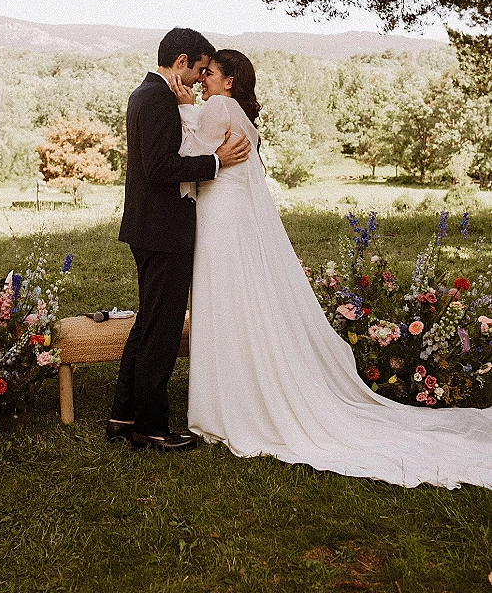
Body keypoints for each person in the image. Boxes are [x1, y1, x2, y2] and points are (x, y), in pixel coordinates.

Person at [171, 48, 492, 488]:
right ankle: (241, 391)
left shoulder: (218, 107)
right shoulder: (242, 117)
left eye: (209, 74)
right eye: (200, 74)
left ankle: (231, 405)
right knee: (239, 302)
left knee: (225, 301)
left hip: (221, 221)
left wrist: (185, 108)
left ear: (228, 82)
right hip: (233, 219)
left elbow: (190, 158)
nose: (201, 79)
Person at [108, 29, 251, 452]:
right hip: (162, 229)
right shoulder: (156, 98)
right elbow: (159, 167)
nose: (198, 80)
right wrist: (215, 161)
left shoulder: (147, 93)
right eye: (199, 70)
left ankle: (123, 415)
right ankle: (151, 427)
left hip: (150, 227)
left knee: (148, 323)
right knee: (163, 331)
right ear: (182, 60)